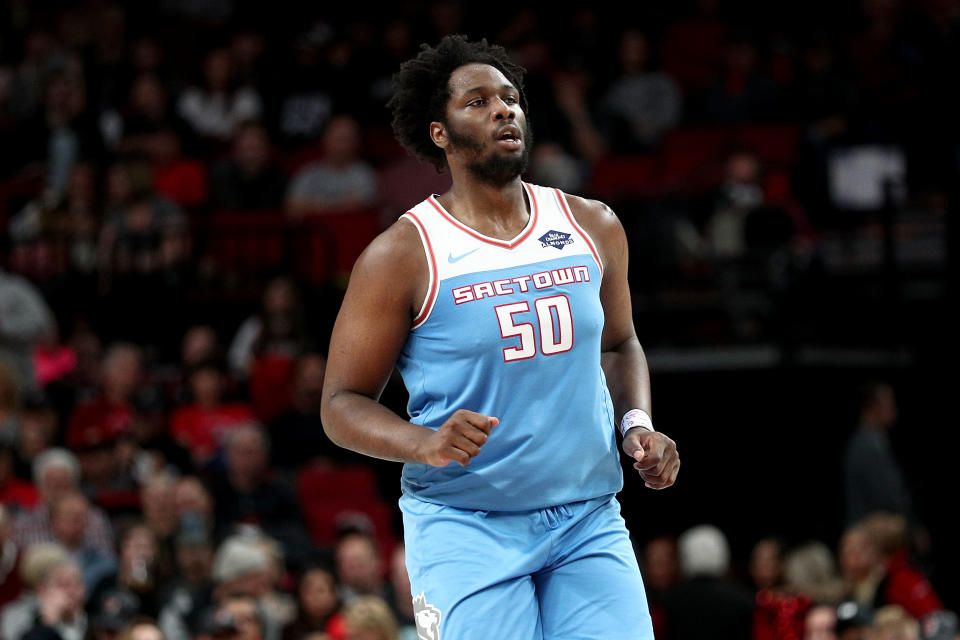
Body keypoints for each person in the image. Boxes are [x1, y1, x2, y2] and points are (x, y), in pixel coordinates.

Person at [321, 35, 680, 640]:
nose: (503, 110)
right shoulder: (403, 254)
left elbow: (619, 345)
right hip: (468, 523)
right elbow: (339, 405)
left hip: (586, 517)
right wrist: (423, 442)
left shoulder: (591, 223)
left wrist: (636, 423)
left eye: (511, 98)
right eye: (478, 101)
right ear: (439, 133)